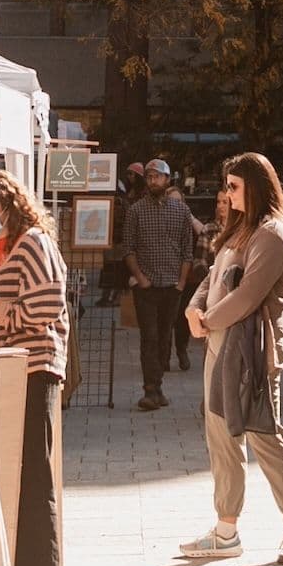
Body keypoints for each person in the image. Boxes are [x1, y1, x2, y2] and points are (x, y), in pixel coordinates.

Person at [180, 154, 283, 564]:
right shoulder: (241, 228)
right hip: (222, 347)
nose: (227, 193)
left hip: (254, 354)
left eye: (234, 186)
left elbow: (249, 294)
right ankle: (226, 531)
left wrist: (205, 317)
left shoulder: (273, 234)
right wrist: (195, 308)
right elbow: (213, 274)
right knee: (222, 439)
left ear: (255, 187)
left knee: (265, 436)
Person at [0, 171, 70, 566]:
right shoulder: (21, 242)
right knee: (28, 476)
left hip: (34, 368)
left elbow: (46, 306)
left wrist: (2, 313)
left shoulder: (33, 242)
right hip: (19, 368)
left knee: (34, 478)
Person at [122, 159, 201, 412]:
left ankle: (159, 386)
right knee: (150, 336)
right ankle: (150, 389)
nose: (153, 180)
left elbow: (187, 251)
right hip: (147, 286)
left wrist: (180, 282)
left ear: (168, 180)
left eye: (158, 176)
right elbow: (128, 249)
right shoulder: (135, 211)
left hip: (171, 286)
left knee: (164, 336)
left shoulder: (180, 212)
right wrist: (140, 277)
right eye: (149, 176)